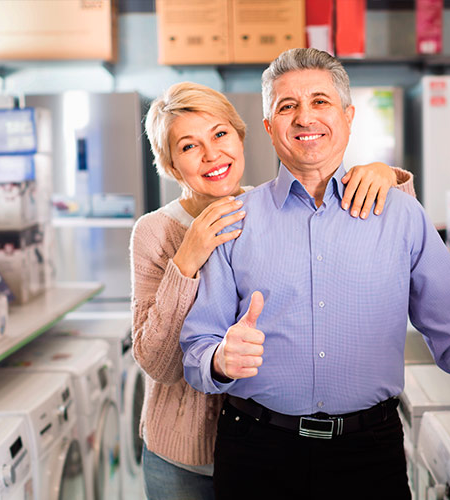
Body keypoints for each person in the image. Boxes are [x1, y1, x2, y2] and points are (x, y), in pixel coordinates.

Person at [180, 48, 450, 499]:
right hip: (255, 452)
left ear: (348, 116)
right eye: (287, 106)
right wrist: (220, 359)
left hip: (368, 455)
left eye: (320, 102)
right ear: (270, 127)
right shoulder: (233, 221)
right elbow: (197, 346)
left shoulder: (401, 215)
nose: (305, 117)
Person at [130, 81, 416, 500]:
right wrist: (186, 259)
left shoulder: (265, 210)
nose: (212, 155)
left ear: (241, 137)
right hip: (183, 457)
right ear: (171, 165)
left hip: (265, 450)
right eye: (189, 146)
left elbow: (373, 229)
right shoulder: (154, 232)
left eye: (220, 134)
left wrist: (387, 175)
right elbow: (159, 364)